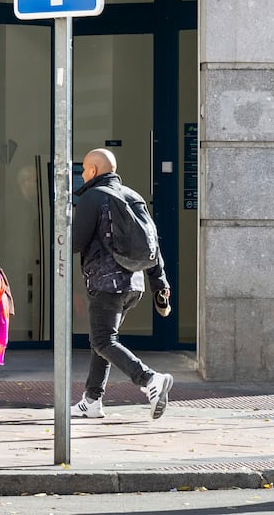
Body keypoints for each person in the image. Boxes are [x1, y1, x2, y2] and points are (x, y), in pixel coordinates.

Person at [70, 148, 173, 420]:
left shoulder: (93, 196)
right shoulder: (133, 196)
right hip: (133, 284)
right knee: (103, 340)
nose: (83, 175)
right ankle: (92, 400)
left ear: (93, 170)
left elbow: (75, 242)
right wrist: (159, 284)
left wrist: (64, 226)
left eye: (84, 170)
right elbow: (153, 245)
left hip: (106, 283)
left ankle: (149, 379)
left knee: (103, 340)